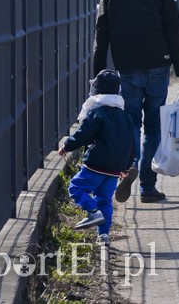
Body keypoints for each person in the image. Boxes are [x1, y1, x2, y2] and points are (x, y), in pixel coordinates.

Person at [93, 0, 179, 203]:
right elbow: (173, 32)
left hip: (126, 67)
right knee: (153, 127)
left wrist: (99, 73)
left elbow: (102, 31)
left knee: (130, 123)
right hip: (158, 66)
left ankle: (132, 164)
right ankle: (147, 186)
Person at [58, 69, 134, 247]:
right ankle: (104, 236)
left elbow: (83, 135)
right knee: (105, 200)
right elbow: (131, 143)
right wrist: (126, 166)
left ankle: (92, 211)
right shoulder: (125, 117)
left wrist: (67, 146)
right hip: (115, 168)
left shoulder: (96, 113)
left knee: (76, 187)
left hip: (96, 164)